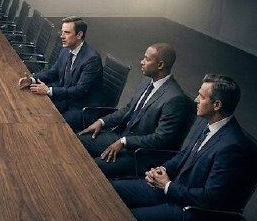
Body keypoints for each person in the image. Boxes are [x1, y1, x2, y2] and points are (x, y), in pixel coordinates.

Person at [111, 74, 249, 221]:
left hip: (192, 210)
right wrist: (161, 170)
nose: (196, 100)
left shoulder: (232, 147)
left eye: (202, 97)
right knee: (112, 190)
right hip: (174, 190)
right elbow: (185, 154)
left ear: (217, 105)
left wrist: (168, 186)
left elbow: (209, 199)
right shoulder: (207, 121)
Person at [78, 43, 194, 178]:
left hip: (138, 153)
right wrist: (102, 121)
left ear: (160, 65)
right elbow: (128, 109)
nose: (142, 62)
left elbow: (161, 138)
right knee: (77, 141)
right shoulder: (146, 81)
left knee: (92, 168)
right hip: (121, 138)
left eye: (147, 59)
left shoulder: (174, 99)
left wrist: (125, 142)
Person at [18, 16, 103, 131]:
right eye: (62, 32)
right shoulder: (66, 50)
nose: (62, 36)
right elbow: (53, 73)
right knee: (33, 110)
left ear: (79, 35)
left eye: (67, 33)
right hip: (65, 99)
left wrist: (49, 90)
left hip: (81, 108)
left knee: (50, 125)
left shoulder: (92, 59)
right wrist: (32, 79)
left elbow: (80, 90)